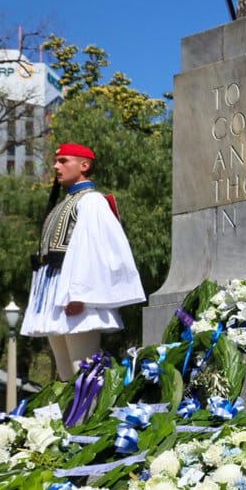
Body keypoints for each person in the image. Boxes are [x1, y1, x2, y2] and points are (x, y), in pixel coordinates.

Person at [22, 143, 146, 381]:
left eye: (64, 161)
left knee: (84, 369)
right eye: (56, 161)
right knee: (66, 374)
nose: (56, 166)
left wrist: (80, 294)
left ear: (84, 165)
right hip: (53, 294)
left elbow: (95, 250)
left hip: (74, 293)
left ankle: (88, 418)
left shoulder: (92, 201)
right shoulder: (64, 204)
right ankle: (72, 418)